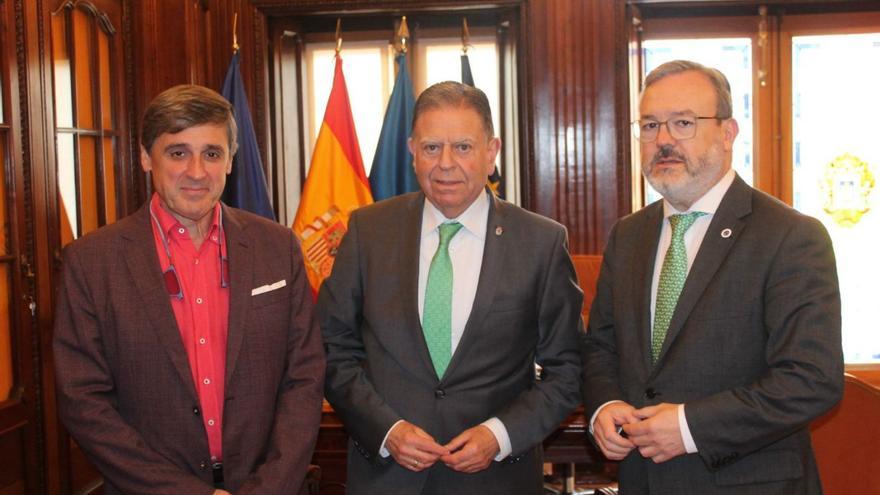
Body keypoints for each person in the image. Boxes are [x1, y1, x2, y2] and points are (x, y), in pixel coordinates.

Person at [581, 59, 843, 494]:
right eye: (649, 125)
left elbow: (811, 380)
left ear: (727, 133)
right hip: (643, 480)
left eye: (683, 122)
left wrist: (688, 426)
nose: (663, 140)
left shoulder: (791, 236)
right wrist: (605, 405)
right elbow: (601, 348)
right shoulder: (628, 236)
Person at [53, 85, 325, 495]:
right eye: (178, 152)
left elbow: (304, 376)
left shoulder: (277, 246)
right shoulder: (92, 262)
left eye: (212, 153)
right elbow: (83, 400)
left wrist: (269, 486)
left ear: (231, 160)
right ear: (146, 157)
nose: (197, 171)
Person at [317, 81, 583, 494]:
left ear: (491, 152)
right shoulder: (368, 231)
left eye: (462, 147)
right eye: (431, 148)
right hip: (387, 478)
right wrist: (387, 430)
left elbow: (568, 370)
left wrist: (500, 434)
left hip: (496, 479)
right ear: (411, 151)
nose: (445, 164)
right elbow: (332, 348)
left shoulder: (541, 242)